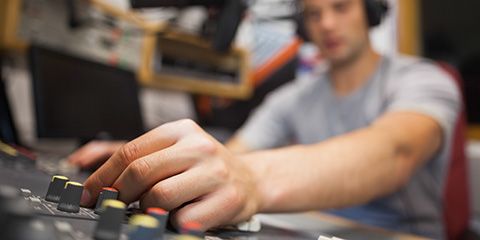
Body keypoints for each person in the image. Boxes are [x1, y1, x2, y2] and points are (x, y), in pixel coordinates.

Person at [71, 0, 460, 238]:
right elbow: (232, 154)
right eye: (314, 13)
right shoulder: (291, 98)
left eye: (341, 7)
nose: (326, 24)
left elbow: (396, 152)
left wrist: (251, 179)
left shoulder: (424, 79)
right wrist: (162, 161)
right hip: (311, 228)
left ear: (370, 12)